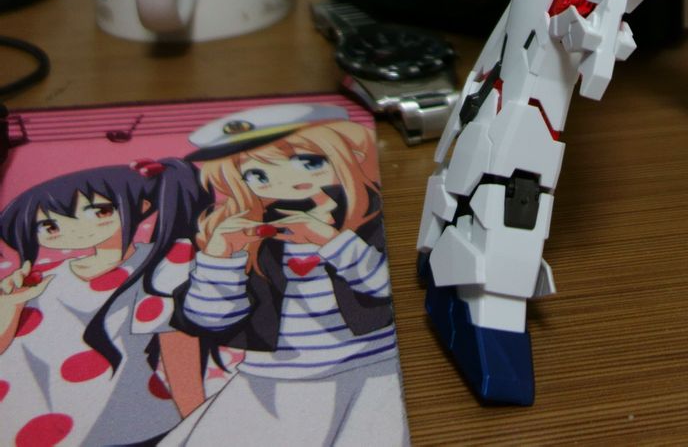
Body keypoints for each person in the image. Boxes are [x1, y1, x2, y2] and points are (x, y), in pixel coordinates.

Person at [161, 103, 408, 446]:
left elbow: (388, 290)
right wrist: (220, 257)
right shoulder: (243, 231)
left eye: (310, 162)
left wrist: (333, 242)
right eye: (258, 175)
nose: (288, 181)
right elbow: (210, 320)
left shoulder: (369, 214)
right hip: (268, 383)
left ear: (347, 154)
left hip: (369, 373)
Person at [0, 157, 209, 446]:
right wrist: (9, 306)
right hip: (29, 426)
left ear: (143, 205)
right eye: (49, 225)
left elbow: (179, 352)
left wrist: (197, 426)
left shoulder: (160, 266)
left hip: (125, 423)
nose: (76, 229)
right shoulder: (37, 280)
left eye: (99, 212)